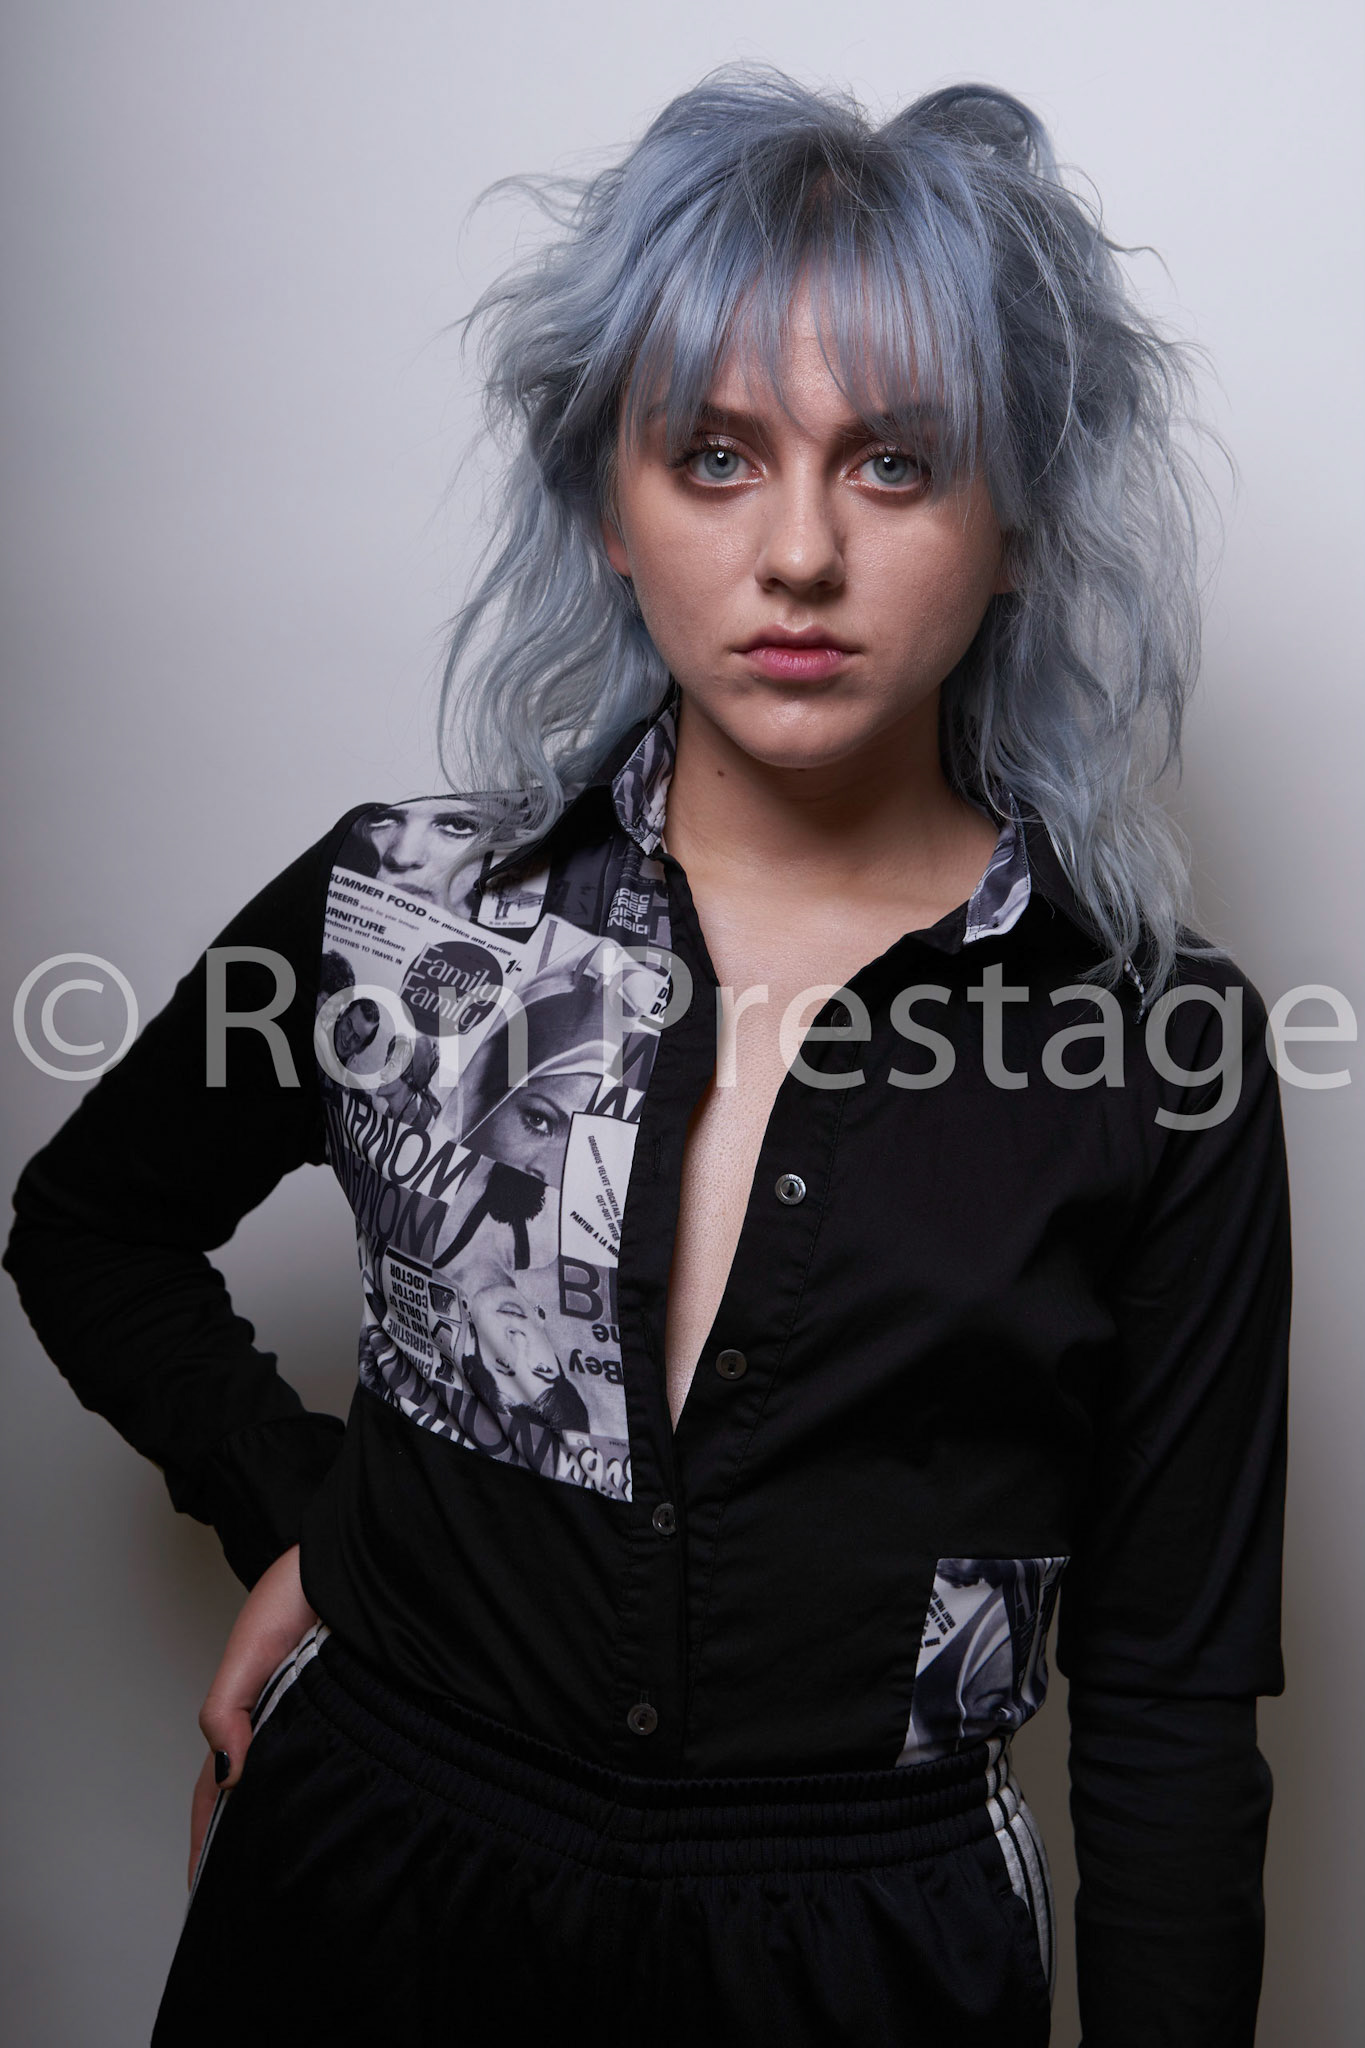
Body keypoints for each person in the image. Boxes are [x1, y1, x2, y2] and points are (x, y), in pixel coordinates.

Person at [2, 67, 1289, 2048]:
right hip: (362, 1889)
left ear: (1015, 522)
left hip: (865, 1956)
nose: (797, 553)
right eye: (711, 455)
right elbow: (91, 1222)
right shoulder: (401, 907)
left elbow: (1170, 1700)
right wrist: (307, 1507)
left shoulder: (1158, 1048)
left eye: (893, 463)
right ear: (607, 504)